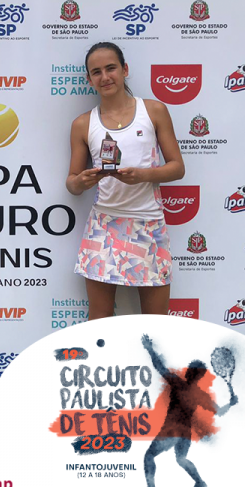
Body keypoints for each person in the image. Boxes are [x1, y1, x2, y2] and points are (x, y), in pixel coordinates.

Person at [66, 42, 185, 319]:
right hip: (103, 225)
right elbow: (71, 184)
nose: (105, 77)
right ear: (89, 79)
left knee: (155, 325)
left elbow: (178, 168)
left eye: (111, 68)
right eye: (96, 72)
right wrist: (82, 181)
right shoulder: (82, 124)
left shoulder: (153, 111)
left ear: (125, 70)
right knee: (99, 323)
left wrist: (142, 176)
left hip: (149, 224)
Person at [139, 334, 238, 487]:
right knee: (181, 459)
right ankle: (200, 483)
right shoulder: (200, 395)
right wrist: (231, 404)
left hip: (171, 430)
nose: (187, 370)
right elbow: (219, 411)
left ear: (191, 373)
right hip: (185, 434)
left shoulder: (178, 383)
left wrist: (149, 348)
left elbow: (159, 366)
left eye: (190, 369)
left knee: (149, 456)